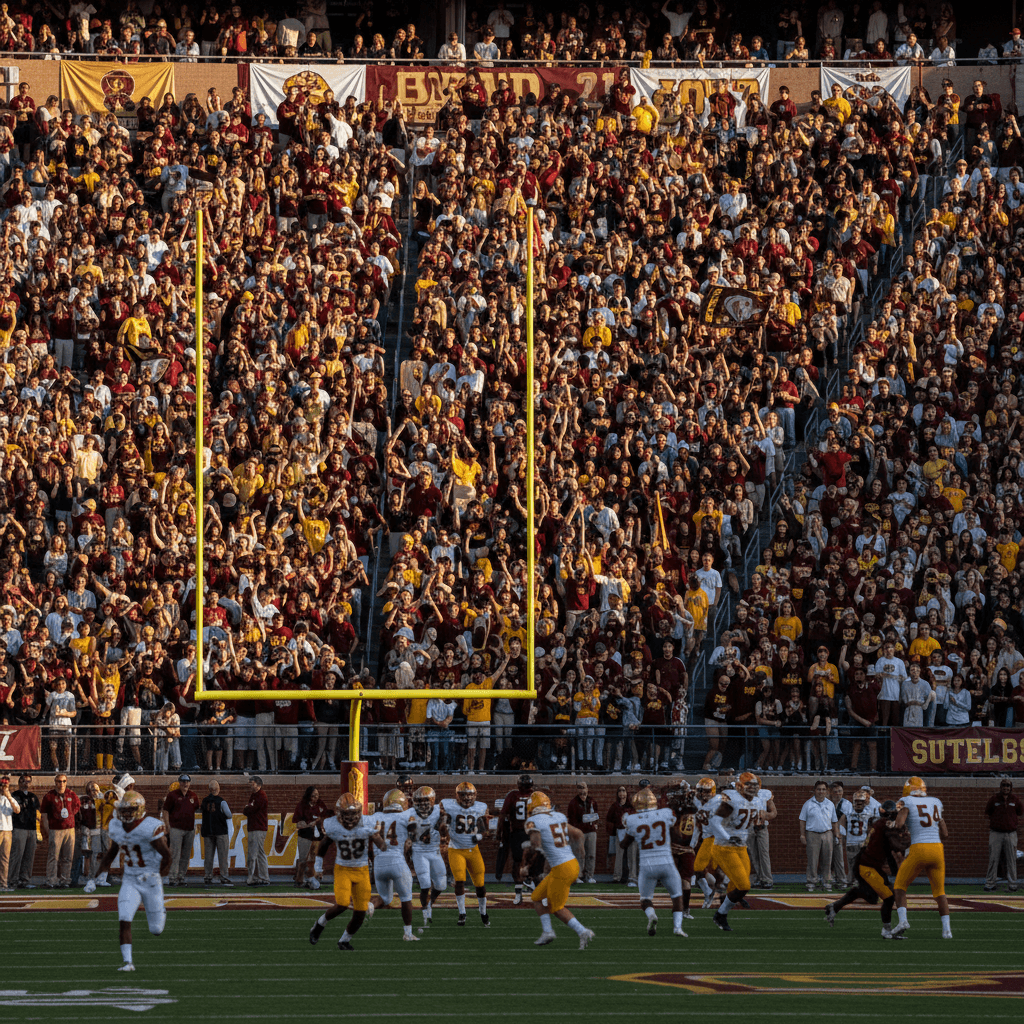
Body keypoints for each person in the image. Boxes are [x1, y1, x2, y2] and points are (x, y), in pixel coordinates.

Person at [84, 790, 171, 971]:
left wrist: (157, 874)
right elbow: (111, 854)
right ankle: (128, 962)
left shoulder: (150, 826)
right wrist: (95, 877)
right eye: (124, 810)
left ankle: (160, 910)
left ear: (139, 810)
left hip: (151, 880)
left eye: (130, 810)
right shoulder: (117, 826)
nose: (126, 814)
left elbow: (167, 856)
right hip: (130, 879)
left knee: (156, 929)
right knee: (124, 918)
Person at [309, 793, 385, 950]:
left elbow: (381, 845)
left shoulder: (367, 823)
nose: (350, 818)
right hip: (343, 869)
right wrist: (318, 866)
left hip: (362, 870)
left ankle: (344, 940)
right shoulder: (333, 826)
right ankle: (319, 924)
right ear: (339, 814)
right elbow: (323, 845)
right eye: (346, 814)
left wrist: (380, 842)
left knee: (361, 910)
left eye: (353, 814)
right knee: (342, 903)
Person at [825, 799, 909, 936]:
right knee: (888, 897)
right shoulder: (884, 825)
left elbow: (888, 851)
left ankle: (835, 906)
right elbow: (894, 846)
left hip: (869, 864)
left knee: (871, 897)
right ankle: (886, 930)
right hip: (867, 866)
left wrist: (895, 871)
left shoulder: (881, 824)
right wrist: (907, 842)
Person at [522, 791, 594, 949]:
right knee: (537, 897)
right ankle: (547, 932)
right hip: (570, 864)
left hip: (562, 868)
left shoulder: (532, 821)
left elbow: (535, 845)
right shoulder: (558, 816)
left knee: (556, 907)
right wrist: (581, 854)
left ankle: (583, 931)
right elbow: (578, 834)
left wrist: (527, 866)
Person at [620, 786, 688, 937]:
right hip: (667, 863)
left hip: (647, 865)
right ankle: (677, 928)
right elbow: (677, 833)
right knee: (677, 897)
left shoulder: (632, 819)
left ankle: (652, 916)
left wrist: (630, 833)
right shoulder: (665, 813)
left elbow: (624, 844)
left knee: (645, 900)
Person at [890, 776, 951, 939]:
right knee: (940, 892)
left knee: (899, 887)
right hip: (937, 849)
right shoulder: (936, 802)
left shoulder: (905, 800)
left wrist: (896, 825)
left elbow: (899, 824)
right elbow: (945, 834)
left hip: (919, 848)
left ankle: (903, 921)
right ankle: (947, 931)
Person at [708, 771, 761, 932]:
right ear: (739, 786)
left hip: (741, 847)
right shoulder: (732, 800)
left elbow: (746, 820)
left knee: (742, 885)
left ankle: (726, 899)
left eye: (755, 785)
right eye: (748, 785)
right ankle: (720, 915)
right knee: (743, 885)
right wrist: (728, 837)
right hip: (724, 847)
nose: (752, 788)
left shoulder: (757, 801)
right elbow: (715, 822)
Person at [368, 789, 418, 940]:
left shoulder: (375, 817)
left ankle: (369, 906)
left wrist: (371, 862)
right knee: (406, 898)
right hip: (397, 861)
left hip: (379, 863)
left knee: (386, 898)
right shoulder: (406, 816)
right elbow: (413, 836)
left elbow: (369, 843)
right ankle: (408, 934)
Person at [440, 781, 490, 927]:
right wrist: (443, 823)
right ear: (457, 796)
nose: (467, 798)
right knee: (459, 880)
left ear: (475, 796)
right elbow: (441, 825)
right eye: (463, 795)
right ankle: (462, 913)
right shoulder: (448, 805)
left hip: (473, 850)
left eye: (470, 795)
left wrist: (479, 836)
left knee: (480, 884)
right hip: (456, 849)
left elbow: (484, 830)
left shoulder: (481, 807)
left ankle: (483, 912)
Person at [406, 786, 446, 927]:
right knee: (425, 883)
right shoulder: (410, 813)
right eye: (420, 801)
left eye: (426, 801)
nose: (423, 804)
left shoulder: (438, 810)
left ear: (432, 800)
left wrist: (443, 824)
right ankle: (424, 912)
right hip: (419, 851)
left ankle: (430, 903)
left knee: (441, 884)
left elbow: (446, 825)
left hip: (434, 851)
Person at [495, 773, 538, 903]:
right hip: (531, 832)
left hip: (518, 832)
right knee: (534, 859)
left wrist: (499, 832)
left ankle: (519, 891)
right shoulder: (535, 796)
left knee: (518, 862)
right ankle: (529, 883)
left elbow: (502, 815)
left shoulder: (513, 795)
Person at [799, 780, 840, 892]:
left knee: (828, 859)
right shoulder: (808, 804)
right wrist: (802, 835)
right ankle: (812, 882)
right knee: (813, 860)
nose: (821, 791)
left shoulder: (830, 804)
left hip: (827, 834)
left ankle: (827, 882)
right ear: (814, 790)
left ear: (827, 791)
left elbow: (834, 821)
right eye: (818, 789)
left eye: (823, 789)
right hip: (812, 834)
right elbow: (802, 820)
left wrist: (836, 834)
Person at [40, 772, 80, 888]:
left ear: (66, 782)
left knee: (67, 857)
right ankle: (52, 880)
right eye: (59, 781)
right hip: (55, 830)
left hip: (69, 830)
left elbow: (77, 807)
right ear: (55, 782)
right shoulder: (49, 796)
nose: (61, 783)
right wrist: (47, 830)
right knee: (54, 856)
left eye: (63, 781)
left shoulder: (71, 794)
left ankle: (65, 880)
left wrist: (70, 816)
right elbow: (44, 814)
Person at [162, 774, 200, 886]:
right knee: (175, 854)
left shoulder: (193, 795)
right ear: (179, 782)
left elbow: (196, 808)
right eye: (183, 781)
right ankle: (172, 878)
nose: (185, 784)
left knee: (186, 855)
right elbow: (165, 811)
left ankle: (181, 877)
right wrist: (168, 826)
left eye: (187, 781)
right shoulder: (172, 795)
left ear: (190, 783)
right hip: (176, 828)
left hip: (189, 829)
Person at [984, 779, 1021, 892]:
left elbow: (1020, 812)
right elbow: (988, 812)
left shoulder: (1015, 799)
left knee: (1011, 859)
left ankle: (1013, 884)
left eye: (1008, 786)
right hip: (996, 833)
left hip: (1011, 834)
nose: (1006, 788)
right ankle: (990, 884)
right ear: (1001, 787)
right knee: (993, 859)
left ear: (1011, 788)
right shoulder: (994, 799)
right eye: (1004, 786)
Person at [292, 785, 328, 888]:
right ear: (308, 796)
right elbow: (298, 824)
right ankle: (299, 880)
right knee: (303, 858)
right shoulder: (301, 806)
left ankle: (313, 878)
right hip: (305, 835)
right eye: (313, 796)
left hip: (318, 836)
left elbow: (326, 818)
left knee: (315, 857)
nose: (316, 798)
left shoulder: (320, 805)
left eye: (317, 795)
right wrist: (310, 824)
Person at [566, 781, 600, 884]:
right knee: (579, 854)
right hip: (579, 832)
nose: (582, 790)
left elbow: (596, 815)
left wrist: (595, 823)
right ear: (577, 790)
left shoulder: (592, 801)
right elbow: (571, 819)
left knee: (591, 854)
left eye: (583, 787)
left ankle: (589, 876)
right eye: (579, 788)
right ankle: (577, 876)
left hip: (591, 831)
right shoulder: (573, 803)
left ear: (587, 789)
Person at [201, 780, 233, 886]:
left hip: (207, 831)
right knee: (223, 855)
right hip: (220, 830)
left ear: (209, 790)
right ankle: (224, 877)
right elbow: (229, 814)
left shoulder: (204, 801)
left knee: (208, 856)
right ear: (218, 789)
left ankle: (207, 877)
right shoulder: (222, 801)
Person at [747, 777, 777, 889]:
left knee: (764, 853)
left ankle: (767, 879)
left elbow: (774, 812)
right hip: (749, 827)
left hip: (762, 827)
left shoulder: (765, 794)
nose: (754, 787)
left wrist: (766, 816)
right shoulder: (743, 796)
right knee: (753, 854)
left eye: (756, 785)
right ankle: (760, 878)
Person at [10, 774, 39, 889]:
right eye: (23, 781)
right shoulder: (15, 795)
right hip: (19, 828)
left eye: (28, 781)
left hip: (31, 829)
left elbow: (38, 812)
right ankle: (13, 879)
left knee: (29, 855)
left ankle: (25, 880)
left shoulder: (33, 796)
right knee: (17, 855)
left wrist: (38, 831)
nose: (25, 783)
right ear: (19, 782)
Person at [606, 785, 637, 887]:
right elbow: (609, 819)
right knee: (619, 856)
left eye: (623, 791)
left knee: (632, 855)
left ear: (627, 793)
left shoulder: (631, 806)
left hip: (631, 834)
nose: (621, 793)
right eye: (620, 791)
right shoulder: (614, 806)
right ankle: (617, 877)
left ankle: (632, 877)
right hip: (619, 832)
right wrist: (612, 831)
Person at [242, 776, 270, 886]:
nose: (250, 785)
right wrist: (248, 807)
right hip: (256, 827)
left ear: (258, 784)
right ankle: (263, 877)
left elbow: (250, 809)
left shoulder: (261, 796)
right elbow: (248, 809)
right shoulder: (255, 795)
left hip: (258, 827)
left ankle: (252, 877)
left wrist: (247, 807)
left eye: (252, 783)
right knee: (259, 853)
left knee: (253, 854)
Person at [0, 775, 20, 890]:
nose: (3, 788)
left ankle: (3, 884)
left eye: (6, 786)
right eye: (2, 785)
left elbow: (17, 810)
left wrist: (8, 795)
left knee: (5, 859)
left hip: (7, 831)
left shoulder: (10, 798)